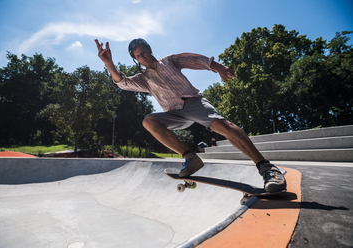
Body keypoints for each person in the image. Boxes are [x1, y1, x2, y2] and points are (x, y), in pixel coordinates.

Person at [94, 38, 286, 192]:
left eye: (143, 52)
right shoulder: (143, 79)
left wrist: (217, 67)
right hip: (174, 113)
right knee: (149, 121)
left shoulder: (169, 61)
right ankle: (190, 158)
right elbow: (123, 82)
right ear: (136, 60)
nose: (142, 56)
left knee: (222, 126)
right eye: (137, 56)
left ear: (150, 50)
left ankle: (267, 168)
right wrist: (109, 63)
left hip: (193, 102)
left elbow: (193, 60)